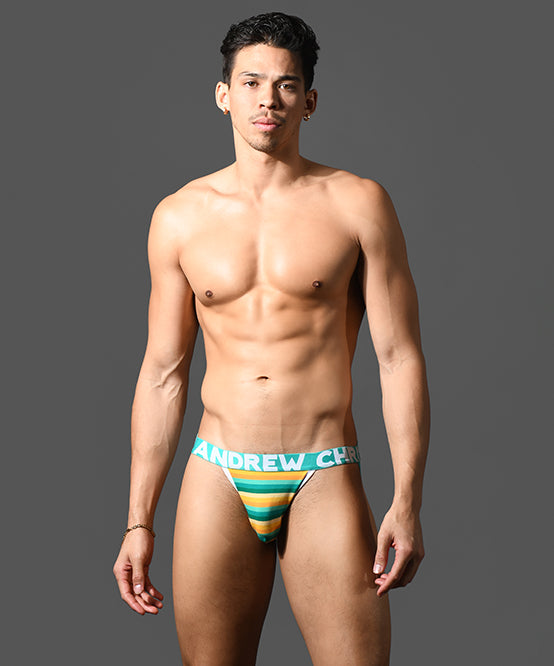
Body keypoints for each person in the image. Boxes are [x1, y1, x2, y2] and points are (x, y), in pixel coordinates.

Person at [113, 11, 430, 666]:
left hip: (322, 471)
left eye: (286, 85)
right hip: (218, 472)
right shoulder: (179, 217)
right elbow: (163, 373)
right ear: (223, 94)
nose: (268, 99)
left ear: (309, 101)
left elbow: (398, 358)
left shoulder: (358, 204)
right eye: (251, 82)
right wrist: (139, 519)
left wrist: (407, 501)